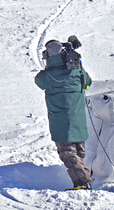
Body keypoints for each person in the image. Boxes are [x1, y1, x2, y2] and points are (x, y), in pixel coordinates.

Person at [34, 37, 94, 190]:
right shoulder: (77, 71)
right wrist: (75, 60)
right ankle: (84, 181)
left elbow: (38, 81)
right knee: (78, 154)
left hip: (61, 123)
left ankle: (82, 183)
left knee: (68, 153)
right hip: (79, 121)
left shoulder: (47, 76)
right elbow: (88, 82)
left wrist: (51, 66)